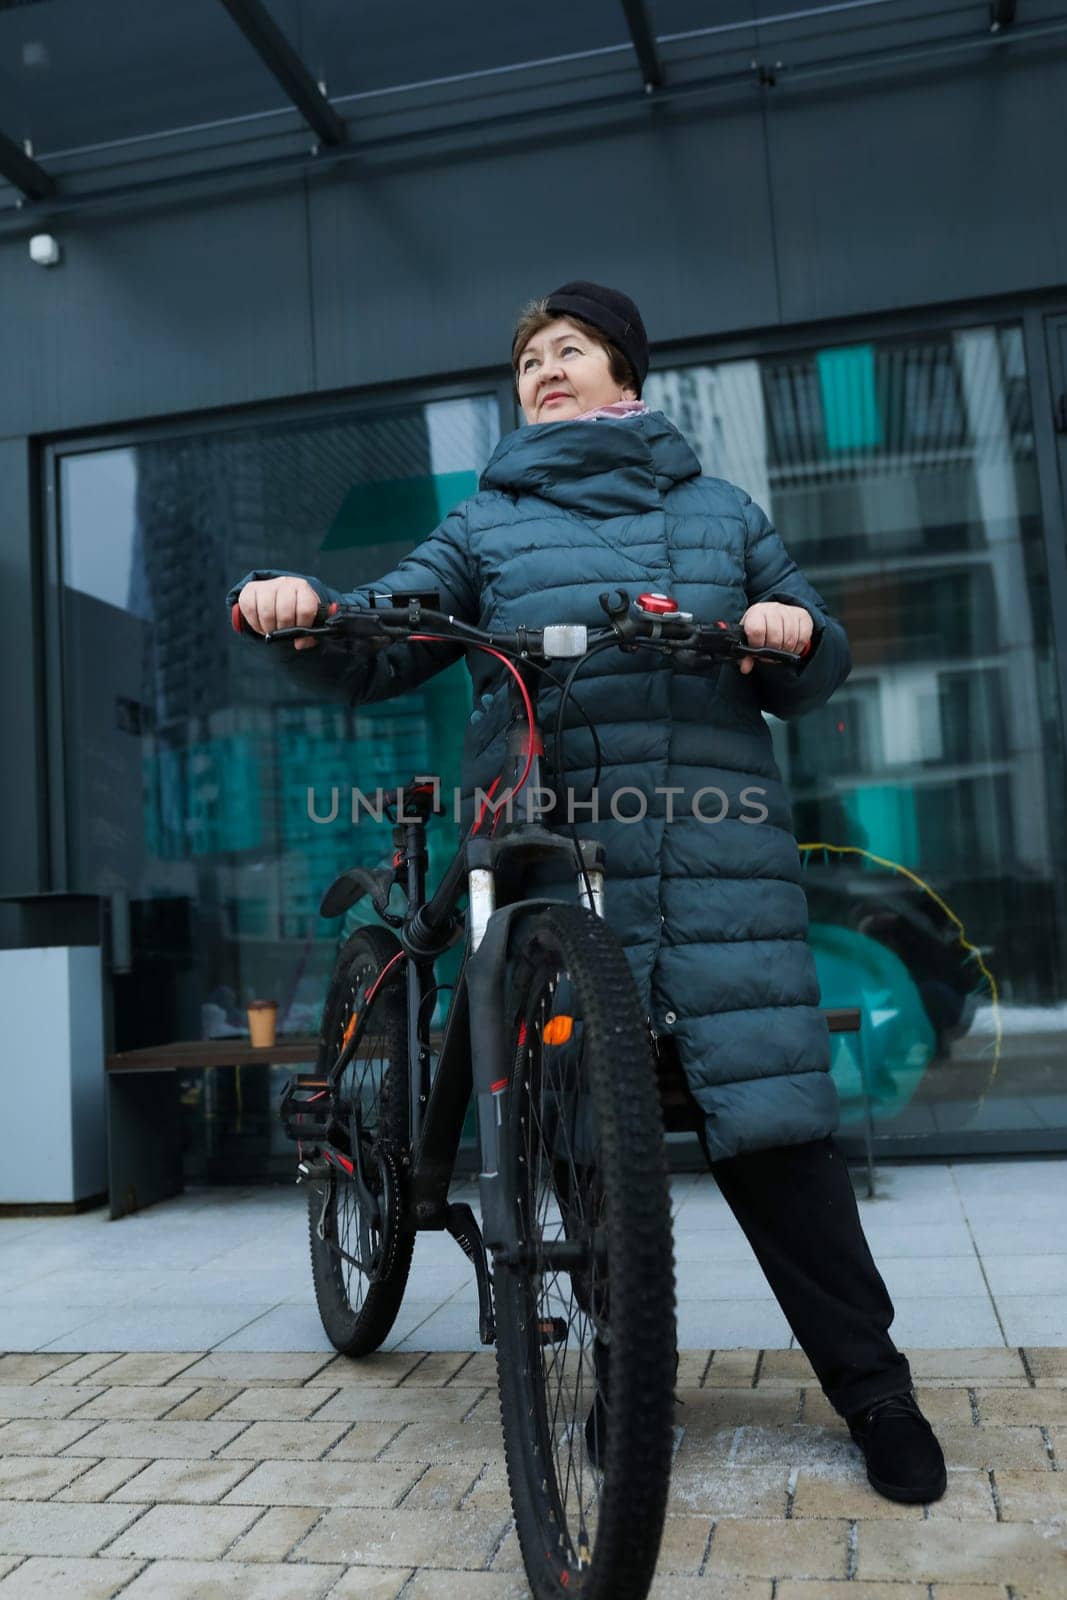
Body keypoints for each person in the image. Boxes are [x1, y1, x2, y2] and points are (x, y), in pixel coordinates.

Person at [228, 280, 946, 1506]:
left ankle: (876, 1391)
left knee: (779, 1139)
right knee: (575, 1127)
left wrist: (786, 627)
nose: (543, 371)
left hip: (715, 872)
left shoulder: (720, 514)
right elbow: (395, 629)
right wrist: (310, 617)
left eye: (569, 349)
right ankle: (621, 1376)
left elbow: (809, 648)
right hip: (550, 860)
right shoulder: (485, 525)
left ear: (627, 377)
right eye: (527, 361)